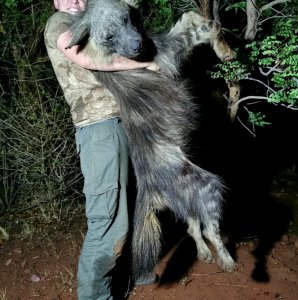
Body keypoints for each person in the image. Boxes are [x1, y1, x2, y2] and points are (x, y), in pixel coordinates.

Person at [44, 0, 158, 299]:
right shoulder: (59, 22)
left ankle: (133, 271)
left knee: (135, 200)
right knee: (106, 219)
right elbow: (84, 56)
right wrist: (145, 61)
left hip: (128, 121)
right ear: (55, 2)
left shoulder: (99, 18)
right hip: (100, 127)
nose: (74, 0)